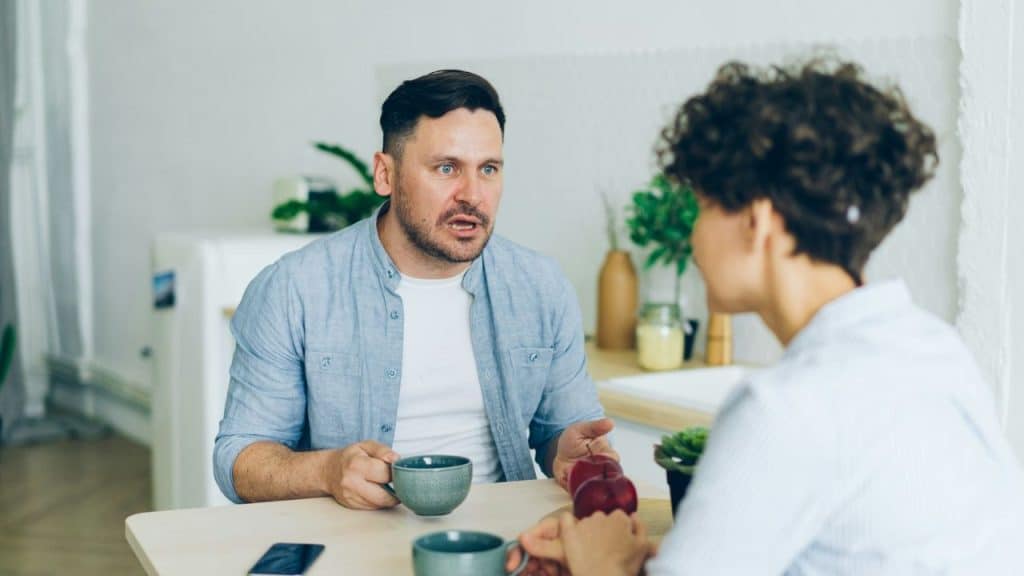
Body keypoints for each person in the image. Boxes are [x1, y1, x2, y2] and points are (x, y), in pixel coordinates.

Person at [514, 58, 1024, 575]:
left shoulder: (784, 408)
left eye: (703, 206)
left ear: (756, 222)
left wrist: (599, 563)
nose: (693, 235)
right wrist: (626, 562)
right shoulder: (934, 348)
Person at [214, 69, 616, 509]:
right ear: (385, 175)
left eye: (488, 169)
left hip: (505, 533)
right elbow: (239, 459)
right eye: (446, 168)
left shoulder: (541, 287)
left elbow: (564, 432)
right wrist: (327, 471)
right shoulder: (295, 289)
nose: (473, 195)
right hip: (353, 534)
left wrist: (570, 455)